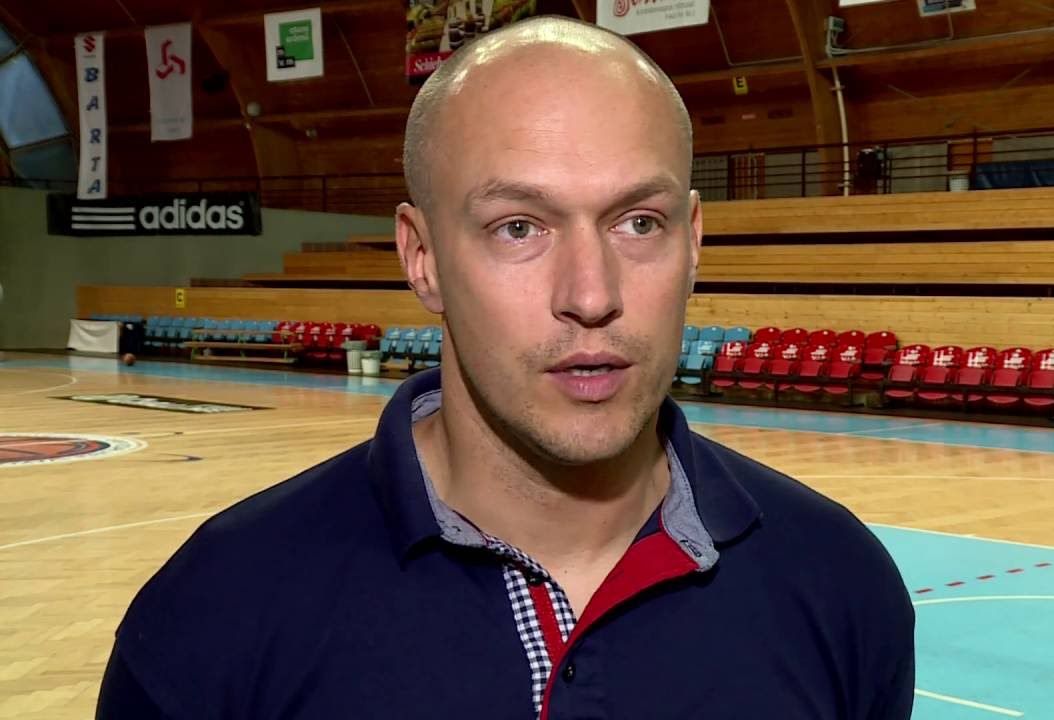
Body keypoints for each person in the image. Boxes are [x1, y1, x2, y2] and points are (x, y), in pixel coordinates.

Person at [97, 16, 914, 719]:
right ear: (421, 259)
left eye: (638, 222)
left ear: (694, 242)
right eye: (518, 227)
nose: (591, 296)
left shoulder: (842, 584)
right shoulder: (216, 610)